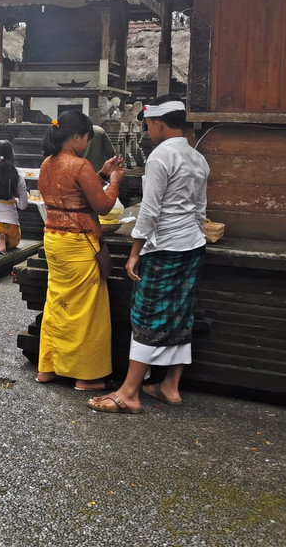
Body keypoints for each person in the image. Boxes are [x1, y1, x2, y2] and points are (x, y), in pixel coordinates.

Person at [88, 97, 209, 414]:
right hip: (193, 245)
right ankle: (169, 385)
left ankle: (129, 392)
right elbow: (200, 212)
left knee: (146, 314)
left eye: (148, 125)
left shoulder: (160, 157)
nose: (148, 131)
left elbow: (150, 211)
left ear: (158, 124)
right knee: (180, 313)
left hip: (164, 247)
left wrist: (134, 252)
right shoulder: (198, 159)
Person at [36, 110, 125, 391]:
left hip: (54, 239)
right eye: (86, 137)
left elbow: (74, 193)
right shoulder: (79, 165)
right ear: (76, 136)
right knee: (87, 309)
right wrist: (115, 181)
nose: (87, 142)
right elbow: (103, 206)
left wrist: (102, 173)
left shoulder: (46, 165)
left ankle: (48, 367)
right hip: (79, 243)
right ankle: (86, 375)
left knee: (57, 302)